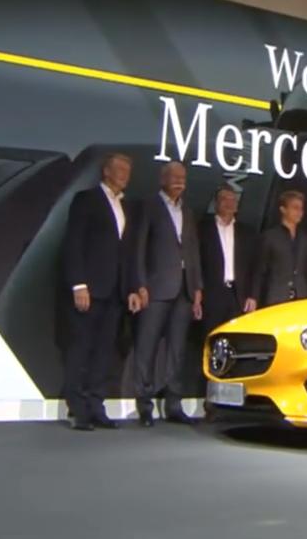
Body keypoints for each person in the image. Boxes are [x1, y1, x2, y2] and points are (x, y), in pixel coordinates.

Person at [61, 152, 141, 431]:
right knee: (81, 349)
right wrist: (79, 284)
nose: (124, 175)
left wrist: (132, 288)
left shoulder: (125, 206)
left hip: (116, 292)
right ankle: (77, 409)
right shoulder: (86, 199)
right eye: (119, 169)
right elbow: (74, 243)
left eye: (127, 171)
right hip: (90, 290)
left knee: (104, 353)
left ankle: (97, 406)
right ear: (106, 171)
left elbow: (128, 252)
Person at [130, 161, 203, 427]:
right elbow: (137, 248)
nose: (179, 180)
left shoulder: (188, 211)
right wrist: (139, 284)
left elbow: (193, 252)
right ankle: (144, 406)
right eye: (174, 176)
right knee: (146, 348)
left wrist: (197, 289)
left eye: (183, 176)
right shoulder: (148, 206)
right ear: (162, 179)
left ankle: (173, 405)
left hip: (184, 290)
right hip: (155, 289)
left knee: (177, 351)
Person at [198, 186, 256, 331]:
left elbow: (254, 267)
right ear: (216, 203)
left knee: (235, 337)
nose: (229, 203)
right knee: (211, 336)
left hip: (238, 296)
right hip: (211, 296)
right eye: (224, 199)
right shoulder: (202, 229)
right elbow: (196, 264)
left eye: (233, 200)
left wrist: (252, 295)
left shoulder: (247, 233)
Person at [250, 190, 307, 308]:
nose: (299, 212)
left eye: (301, 209)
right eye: (295, 208)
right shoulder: (270, 237)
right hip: (276, 297)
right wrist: (253, 296)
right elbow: (259, 270)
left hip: (302, 297)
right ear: (283, 209)